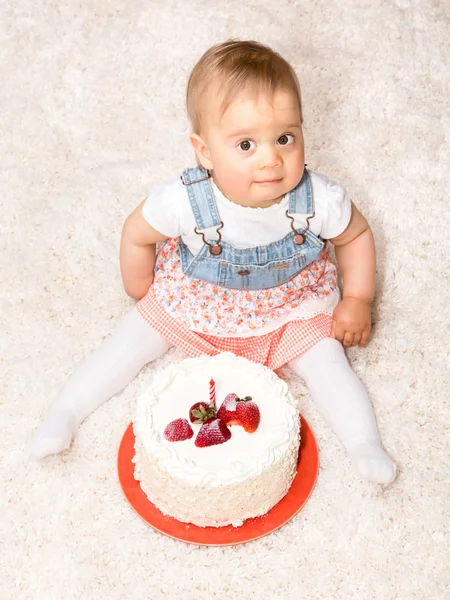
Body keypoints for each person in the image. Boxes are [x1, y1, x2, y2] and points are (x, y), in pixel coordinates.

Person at [30, 40, 396, 484]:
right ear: (204, 151)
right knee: (125, 345)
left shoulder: (319, 198)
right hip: (195, 302)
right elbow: (136, 232)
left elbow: (354, 235)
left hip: (290, 308)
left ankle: (364, 442)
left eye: (285, 138)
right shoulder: (184, 200)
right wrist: (138, 282)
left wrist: (357, 296)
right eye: (245, 144)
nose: (270, 159)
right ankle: (65, 412)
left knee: (329, 365)